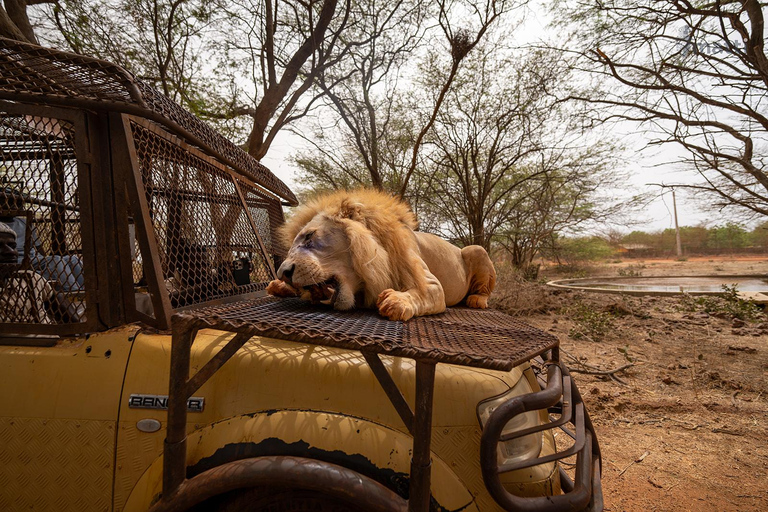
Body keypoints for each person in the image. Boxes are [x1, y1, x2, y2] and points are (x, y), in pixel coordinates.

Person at [0, 222, 79, 324]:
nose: (10, 251)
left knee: (73, 259)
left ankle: (78, 293)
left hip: (49, 338)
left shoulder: (31, 278)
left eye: (13, 246)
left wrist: (79, 329)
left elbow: (55, 297)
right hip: (18, 339)